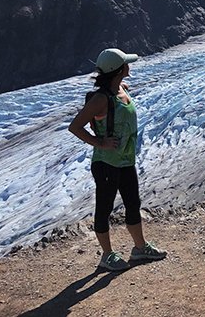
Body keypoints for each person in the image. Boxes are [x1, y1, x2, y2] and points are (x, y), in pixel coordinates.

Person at [69, 48, 166, 271]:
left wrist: (121, 88)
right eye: (126, 64)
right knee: (104, 207)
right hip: (106, 163)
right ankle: (107, 255)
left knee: (133, 203)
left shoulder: (119, 89)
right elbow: (75, 126)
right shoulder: (101, 99)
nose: (129, 66)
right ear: (120, 69)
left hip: (125, 160)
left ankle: (140, 248)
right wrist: (99, 142)